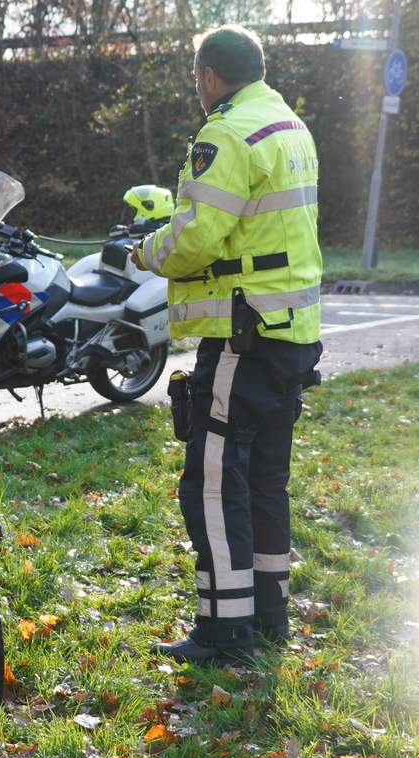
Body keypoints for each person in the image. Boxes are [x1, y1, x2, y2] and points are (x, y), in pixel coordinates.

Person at [133, 23, 323, 665]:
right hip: (293, 334)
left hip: (242, 335)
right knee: (265, 478)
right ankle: (268, 616)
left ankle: (223, 629)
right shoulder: (289, 125)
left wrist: (143, 249)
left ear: (208, 76)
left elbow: (197, 240)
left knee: (212, 482)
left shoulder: (224, 132)